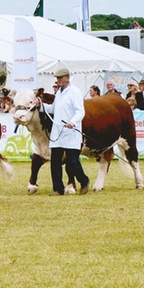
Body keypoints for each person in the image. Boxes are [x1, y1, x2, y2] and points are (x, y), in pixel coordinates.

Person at [37, 67, 89, 196]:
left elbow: (80, 111)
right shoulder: (59, 93)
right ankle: (58, 188)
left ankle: (84, 181)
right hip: (58, 132)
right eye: (57, 79)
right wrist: (41, 106)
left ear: (67, 78)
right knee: (55, 161)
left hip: (71, 132)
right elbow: (53, 109)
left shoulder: (74, 92)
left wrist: (72, 122)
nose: (58, 81)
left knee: (72, 161)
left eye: (60, 78)